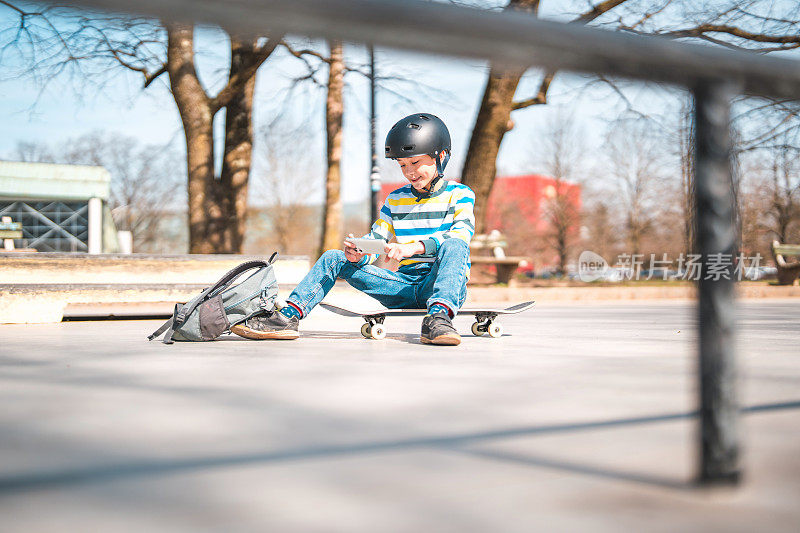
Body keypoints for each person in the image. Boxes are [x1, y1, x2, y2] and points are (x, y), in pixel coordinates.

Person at [231, 112, 475, 345]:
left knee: (456, 245)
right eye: (402, 165)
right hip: (403, 285)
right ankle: (286, 317)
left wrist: (414, 248)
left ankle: (439, 319)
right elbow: (377, 239)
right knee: (333, 257)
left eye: (415, 162)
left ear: (441, 156)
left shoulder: (460, 195)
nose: (409, 171)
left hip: (441, 284)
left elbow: (460, 235)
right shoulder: (395, 199)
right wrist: (361, 251)